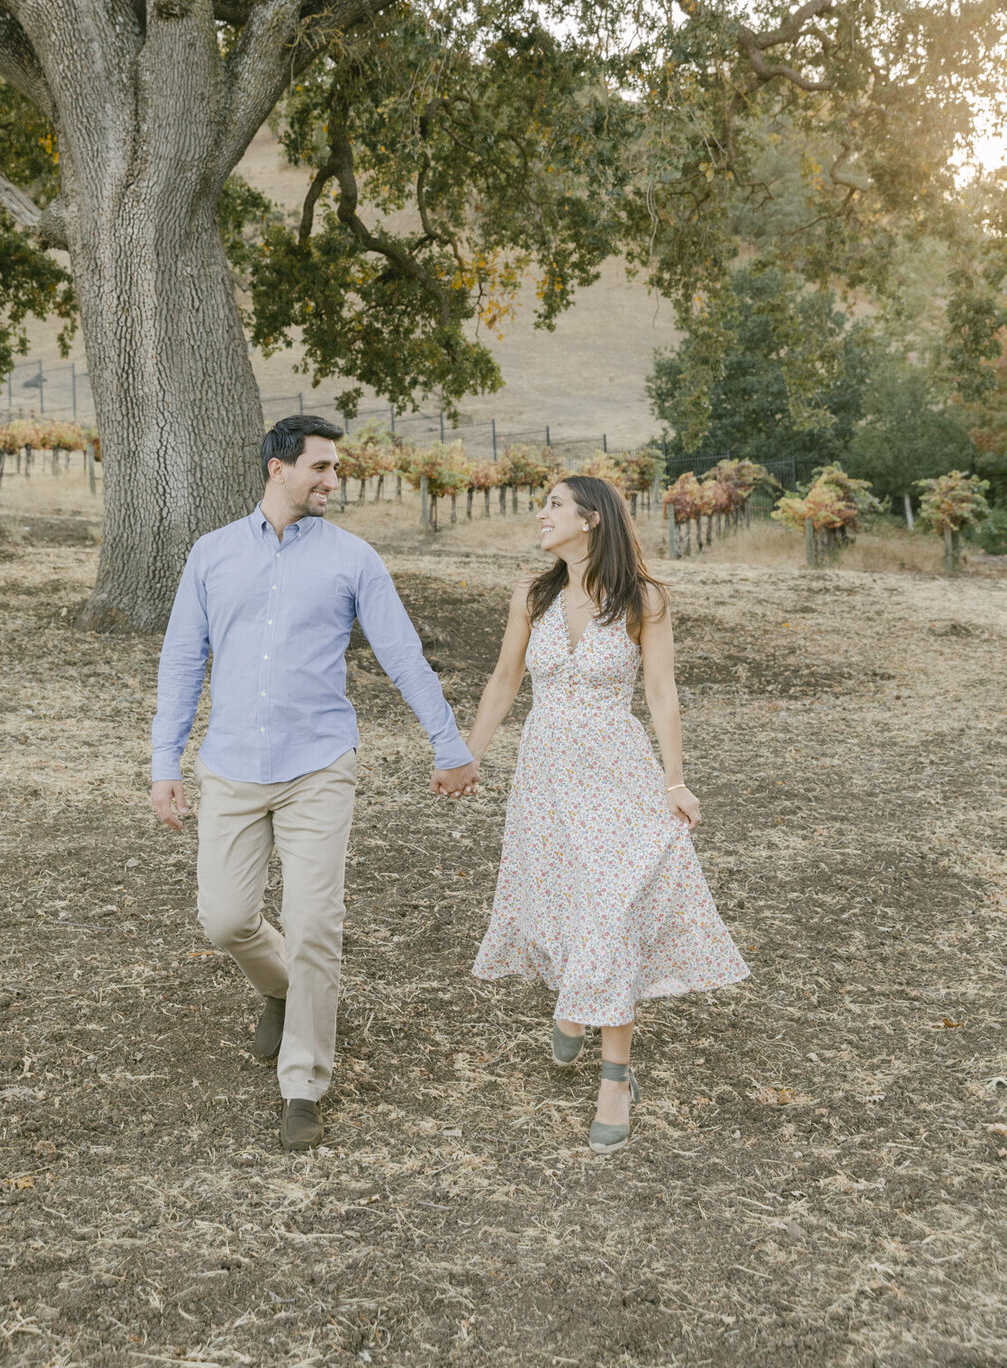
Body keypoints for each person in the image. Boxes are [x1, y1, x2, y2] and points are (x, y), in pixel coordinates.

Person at [150, 415, 478, 1151]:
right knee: (225, 918)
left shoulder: (352, 559)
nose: (335, 481)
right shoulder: (212, 555)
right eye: (322, 468)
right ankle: (280, 987)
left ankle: (303, 1082)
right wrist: (163, 761)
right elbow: (180, 661)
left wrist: (448, 744)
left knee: (314, 923)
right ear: (278, 469)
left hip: (319, 766)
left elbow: (403, 655)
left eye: (336, 470)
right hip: (231, 765)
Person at [463, 474, 748, 1154]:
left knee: (613, 906)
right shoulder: (532, 596)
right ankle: (575, 1000)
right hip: (545, 775)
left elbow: (662, 691)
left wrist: (675, 781)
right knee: (564, 901)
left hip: (617, 773)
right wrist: (467, 756)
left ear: (592, 519)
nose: (543, 514)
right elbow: (504, 682)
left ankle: (616, 1077)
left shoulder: (641, 600)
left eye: (555, 505)